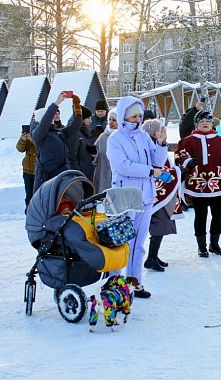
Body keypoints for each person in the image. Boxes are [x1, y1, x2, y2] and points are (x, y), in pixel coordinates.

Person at [106, 96, 170, 298]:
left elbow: (157, 160)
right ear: (124, 115)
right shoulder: (115, 139)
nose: (137, 119)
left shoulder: (143, 136)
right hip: (124, 195)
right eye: (133, 116)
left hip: (146, 195)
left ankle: (135, 282)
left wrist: (161, 143)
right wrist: (151, 172)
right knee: (120, 241)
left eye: (139, 116)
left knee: (138, 243)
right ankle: (114, 283)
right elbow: (123, 166)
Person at [175, 109, 221, 258]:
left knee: (218, 216)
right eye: (201, 121)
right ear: (196, 124)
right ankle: (201, 246)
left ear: (212, 123)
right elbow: (180, 155)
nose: (205, 123)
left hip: (217, 185)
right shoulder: (187, 141)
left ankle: (214, 243)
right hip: (197, 186)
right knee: (200, 216)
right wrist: (188, 162)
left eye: (208, 120)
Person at [142, 119, 183, 272]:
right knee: (159, 225)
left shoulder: (158, 147)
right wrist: (176, 172)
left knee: (161, 225)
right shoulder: (149, 148)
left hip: (161, 194)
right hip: (156, 195)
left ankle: (154, 255)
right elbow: (157, 170)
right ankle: (151, 257)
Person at [31, 93, 82, 191]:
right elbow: (44, 124)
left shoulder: (58, 133)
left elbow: (76, 125)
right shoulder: (37, 135)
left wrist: (76, 106)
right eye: (51, 117)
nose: (53, 118)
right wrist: (56, 102)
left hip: (62, 176)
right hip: (46, 180)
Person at [66, 105, 96, 180]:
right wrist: (78, 174)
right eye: (88, 118)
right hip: (80, 175)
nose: (91, 121)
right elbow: (71, 157)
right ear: (82, 119)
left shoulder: (85, 133)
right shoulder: (75, 134)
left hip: (87, 172)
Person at [93, 108, 117, 193]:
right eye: (109, 119)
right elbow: (95, 154)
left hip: (117, 175)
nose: (111, 122)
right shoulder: (103, 136)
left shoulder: (122, 137)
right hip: (103, 172)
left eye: (114, 120)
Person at [16, 122, 37, 210]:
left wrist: (33, 140)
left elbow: (42, 147)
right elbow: (20, 149)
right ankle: (28, 212)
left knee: (38, 195)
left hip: (40, 170)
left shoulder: (41, 132)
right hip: (28, 170)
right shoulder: (27, 136)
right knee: (29, 194)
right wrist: (22, 140)